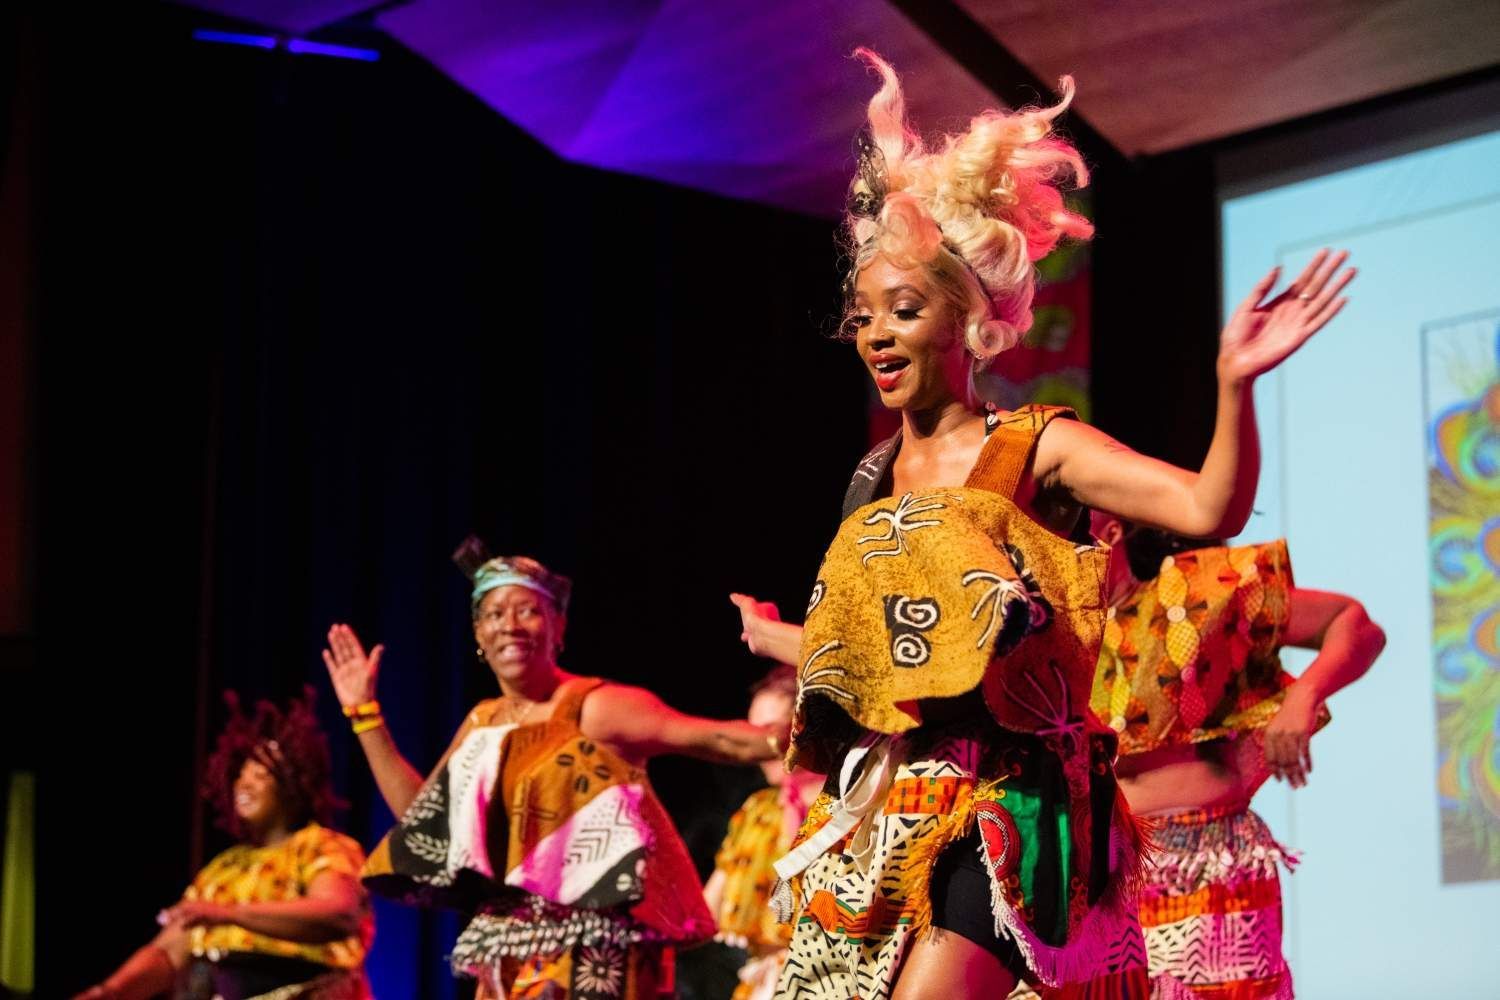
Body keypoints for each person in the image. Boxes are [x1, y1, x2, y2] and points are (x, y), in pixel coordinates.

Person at [729, 49, 1355, 1000]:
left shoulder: (1038, 446)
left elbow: (1206, 508)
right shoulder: (871, 480)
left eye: (905, 310)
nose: (878, 334)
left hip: (1017, 806)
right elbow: (893, 652)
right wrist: (776, 636)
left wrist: (1235, 385)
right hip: (898, 806)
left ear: (970, 322)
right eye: (865, 316)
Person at [323, 548, 784, 1000]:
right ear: (478, 633)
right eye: (494, 614)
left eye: (528, 610)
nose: (510, 625)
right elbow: (425, 822)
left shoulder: (597, 708)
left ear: (557, 626)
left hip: (598, 950)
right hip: (507, 951)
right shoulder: (484, 724)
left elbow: (719, 739)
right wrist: (365, 716)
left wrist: (804, 730)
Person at [1088, 517, 1385, 998]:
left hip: (1204, 867)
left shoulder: (1197, 594)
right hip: (1096, 876)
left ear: (1111, 529)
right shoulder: (1045, 625)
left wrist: (1303, 696)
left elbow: (1355, 626)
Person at [75, 689, 372, 1000]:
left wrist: (228, 914)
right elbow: (169, 951)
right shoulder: (225, 866)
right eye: (241, 773)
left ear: (294, 783)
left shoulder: (322, 846)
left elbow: (337, 914)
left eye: (261, 774)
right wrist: (109, 992)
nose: (244, 783)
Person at [703, 660, 826, 1000]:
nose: (759, 745)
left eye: (771, 730)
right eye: (752, 731)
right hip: (764, 984)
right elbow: (705, 910)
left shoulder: (850, 808)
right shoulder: (759, 810)